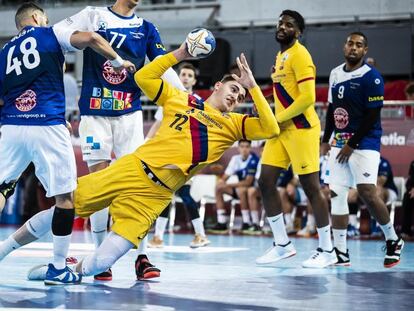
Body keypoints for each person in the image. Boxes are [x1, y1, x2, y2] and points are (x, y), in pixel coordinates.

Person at [62, 41, 278, 278]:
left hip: (164, 184)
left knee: (180, 197)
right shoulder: (180, 99)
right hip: (138, 162)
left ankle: (142, 254)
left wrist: (253, 86)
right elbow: (155, 116)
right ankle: (58, 259)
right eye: (234, 89)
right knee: (75, 203)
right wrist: (180, 53)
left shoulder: (232, 123)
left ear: (195, 80)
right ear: (217, 86)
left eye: (240, 95)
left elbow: (271, 128)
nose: (236, 96)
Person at [0, 2, 135, 284]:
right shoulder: (51, 33)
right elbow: (92, 38)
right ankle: (58, 267)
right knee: (64, 199)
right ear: (37, 17)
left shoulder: (5, 52)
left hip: (11, 125)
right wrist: (118, 61)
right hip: (48, 123)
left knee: (2, 188)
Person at [53, 0, 185, 281]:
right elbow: (58, 36)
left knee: (138, 186)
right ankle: (101, 257)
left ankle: (141, 256)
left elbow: (162, 65)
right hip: (94, 111)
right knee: (99, 184)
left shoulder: (147, 28)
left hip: (129, 112)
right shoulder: (92, 15)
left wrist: (186, 96)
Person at [256, 10, 336, 268]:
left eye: (289, 25)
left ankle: (327, 249)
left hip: (301, 128)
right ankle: (282, 244)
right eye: (280, 22)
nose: (282, 27)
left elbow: (307, 98)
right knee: (266, 181)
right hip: (281, 131)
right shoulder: (281, 56)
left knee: (311, 187)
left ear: (298, 32)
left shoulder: (301, 55)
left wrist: (278, 118)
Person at [321, 31, 404, 267]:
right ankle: (341, 253)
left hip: (365, 141)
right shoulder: (336, 74)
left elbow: (372, 115)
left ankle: (393, 239)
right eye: (350, 43)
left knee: (367, 191)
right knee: (337, 194)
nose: (353, 48)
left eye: (359, 45)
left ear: (364, 51)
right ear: (344, 46)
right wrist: (325, 139)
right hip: (339, 142)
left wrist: (352, 144)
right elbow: (330, 109)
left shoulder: (372, 77)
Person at [147, 62, 210, 248]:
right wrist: (146, 142)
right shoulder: (171, 98)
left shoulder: (198, 102)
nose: (186, 78)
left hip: (186, 154)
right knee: (168, 192)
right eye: (183, 74)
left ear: (194, 80)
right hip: (168, 152)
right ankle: (159, 238)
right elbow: (157, 124)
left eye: (190, 75)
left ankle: (200, 234)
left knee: (182, 193)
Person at [211, 139, 259, 233]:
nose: (244, 149)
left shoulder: (254, 160)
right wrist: (221, 181)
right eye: (242, 146)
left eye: (247, 147)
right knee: (218, 188)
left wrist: (228, 184)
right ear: (238, 148)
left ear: (250, 148)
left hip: (253, 189)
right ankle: (222, 222)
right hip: (240, 189)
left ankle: (247, 222)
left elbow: (248, 182)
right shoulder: (235, 159)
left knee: (242, 189)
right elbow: (225, 177)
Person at [401, 161, 414, 238]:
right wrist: (411, 189)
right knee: (407, 197)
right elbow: (409, 181)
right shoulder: (413, 163)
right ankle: (406, 231)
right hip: (412, 192)